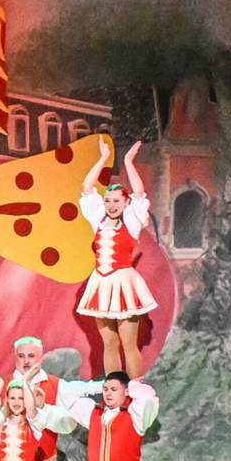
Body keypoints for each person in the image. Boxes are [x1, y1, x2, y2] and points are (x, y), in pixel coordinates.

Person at [77, 141, 158, 378]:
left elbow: (140, 193)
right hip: (101, 284)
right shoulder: (98, 219)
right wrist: (102, 159)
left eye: (116, 201)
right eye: (108, 201)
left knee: (128, 344)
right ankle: (115, 389)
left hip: (123, 283)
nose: (111, 205)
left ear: (125, 203)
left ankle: (135, 390)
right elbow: (87, 187)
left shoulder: (131, 221)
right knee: (109, 343)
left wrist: (127, 162)